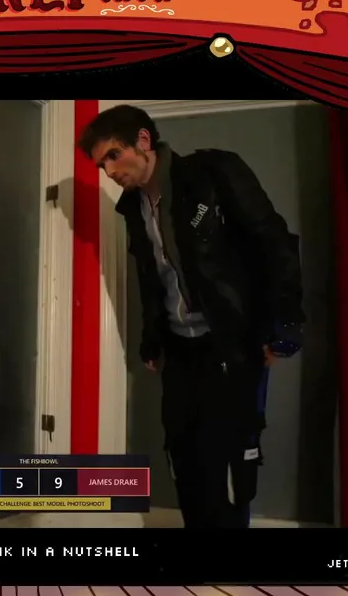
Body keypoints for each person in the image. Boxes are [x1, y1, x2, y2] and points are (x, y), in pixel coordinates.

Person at [78, 105, 304, 529]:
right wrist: (152, 337)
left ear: (143, 141)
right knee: (184, 454)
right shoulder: (132, 208)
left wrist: (285, 323)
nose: (108, 171)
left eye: (113, 156)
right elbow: (153, 278)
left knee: (231, 456)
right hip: (181, 349)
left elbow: (274, 243)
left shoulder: (211, 173)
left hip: (231, 340)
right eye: (101, 165)